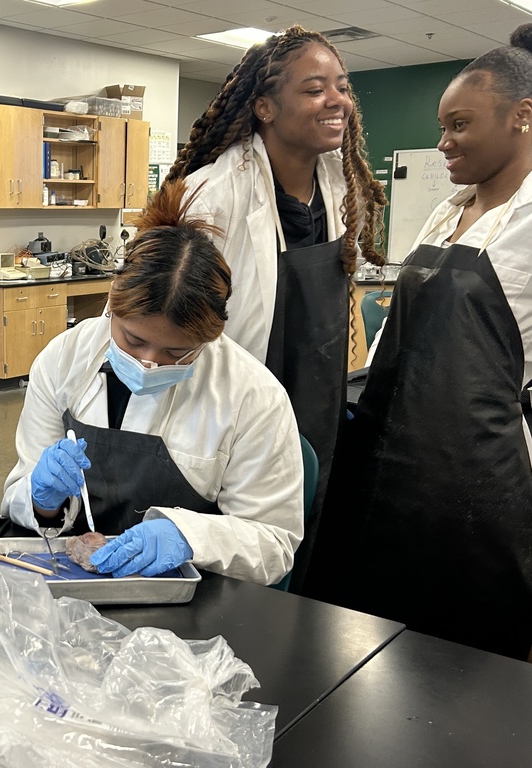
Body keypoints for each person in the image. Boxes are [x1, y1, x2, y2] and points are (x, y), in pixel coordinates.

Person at [307, 26, 532, 660]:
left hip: (480, 482)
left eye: (460, 125)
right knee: (365, 648)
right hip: (388, 466)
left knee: (464, 663)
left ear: (523, 117)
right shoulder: (446, 211)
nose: (444, 142)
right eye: (443, 125)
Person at [164, 26, 387, 590]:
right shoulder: (211, 194)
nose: (337, 99)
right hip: (237, 396)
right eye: (315, 89)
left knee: (309, 530)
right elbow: (173, 321)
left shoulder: (340, 183)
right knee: (242, 546)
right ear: (264, 106)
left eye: (341, 85)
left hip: (316, 390)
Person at [0, 184, 303, 585]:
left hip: (189, 604)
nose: (149, 363)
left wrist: (190, 537)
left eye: (177, 352)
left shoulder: (253, 397)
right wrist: (44, 504)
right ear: (113, 302)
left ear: (211, 336)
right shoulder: (64, 359)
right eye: (133, 340)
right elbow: (21, 494)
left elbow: (273, 544)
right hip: (72, 586)